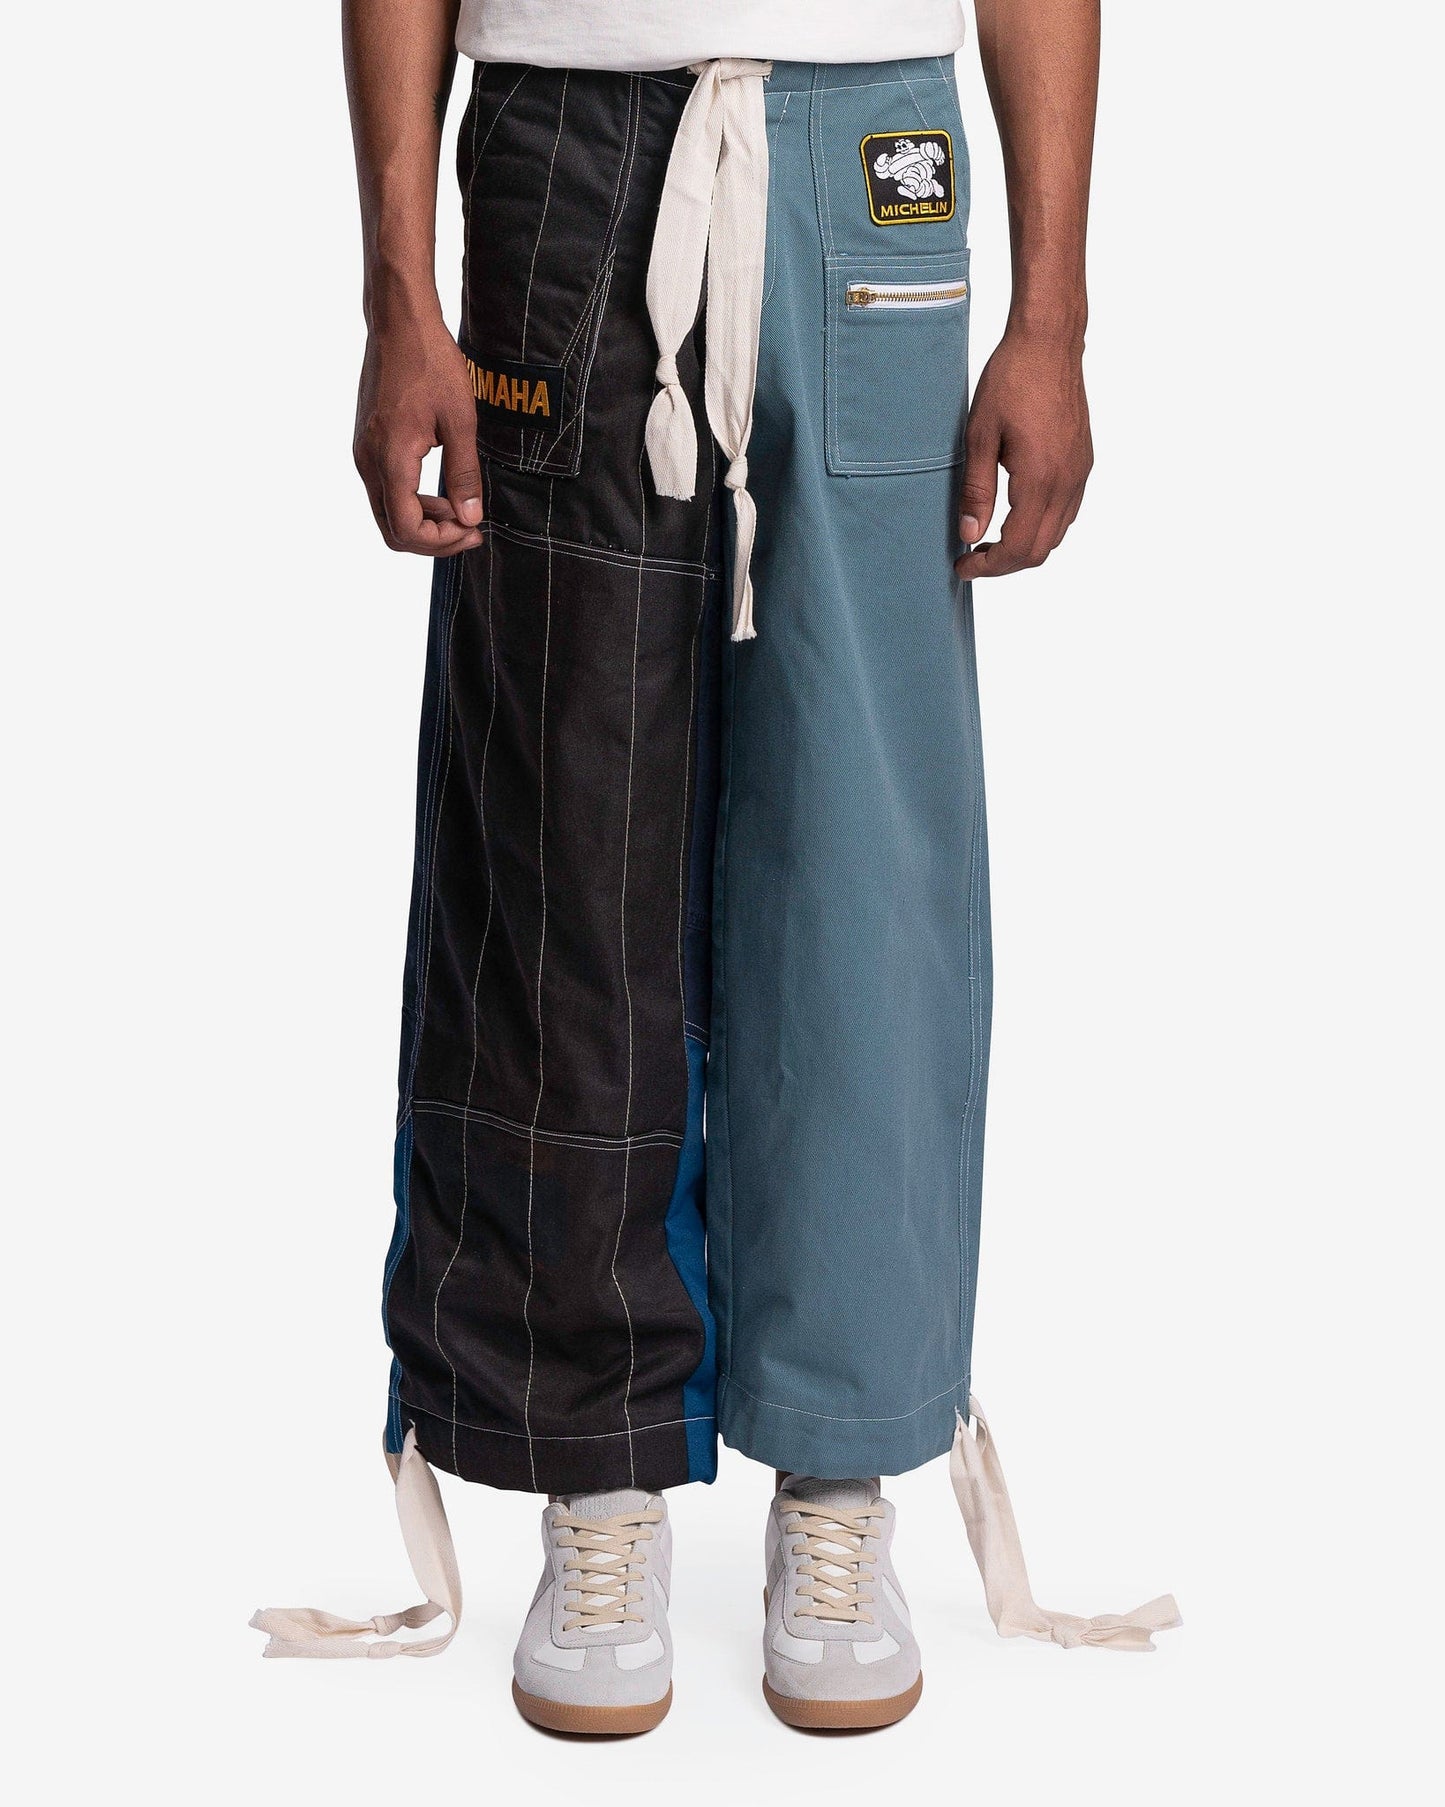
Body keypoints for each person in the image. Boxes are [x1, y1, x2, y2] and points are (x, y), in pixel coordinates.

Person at [251, 0, 1179, 1730]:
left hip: (871, 153)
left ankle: (840, 1469)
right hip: (560, 144)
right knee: (564, 829)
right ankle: (593, 1467)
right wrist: (397, 298)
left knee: (862, 858)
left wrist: (1050, 318)